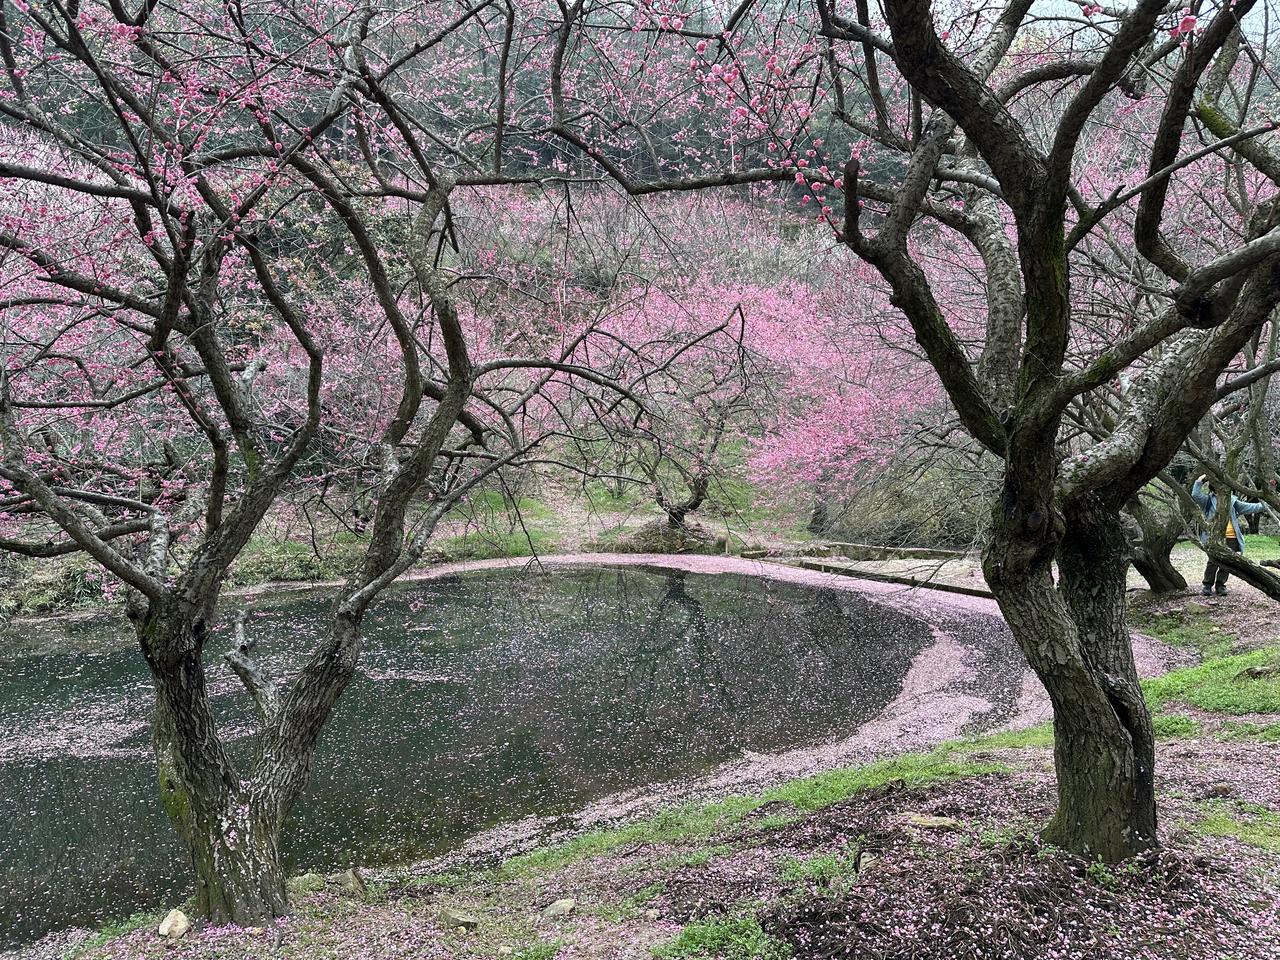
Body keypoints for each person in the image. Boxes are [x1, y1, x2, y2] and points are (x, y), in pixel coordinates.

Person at [1191, 475, 1267, 596]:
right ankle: (1207, 585)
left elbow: (1250, 507)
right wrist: (1199, 480)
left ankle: (1220, 586)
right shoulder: (1208, 501)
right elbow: (1195, 495)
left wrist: (1267, 504)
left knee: (1227, 563)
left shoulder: (1232, 499)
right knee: (1213, 561)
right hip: (1215, 537)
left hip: (1232, 537)